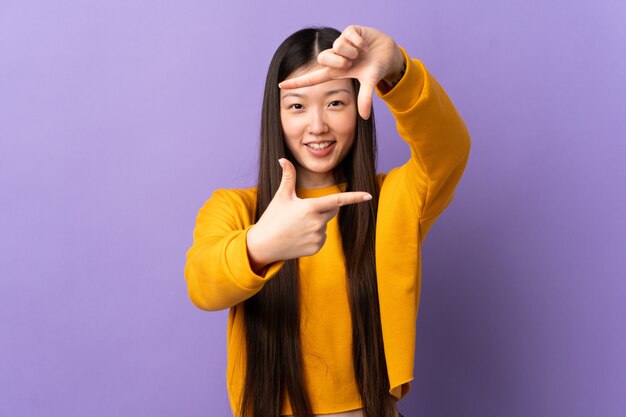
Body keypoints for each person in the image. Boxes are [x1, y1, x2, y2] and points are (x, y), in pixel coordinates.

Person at [184, 24, 471, 417]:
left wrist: (398, 71)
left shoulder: (390, 200)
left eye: (335, 103)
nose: (317, 125)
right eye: (297, 106)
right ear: (277, 115)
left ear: (359, 106)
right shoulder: (235, 209)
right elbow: (203, 283)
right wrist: (263, 245)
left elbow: (449, 149)